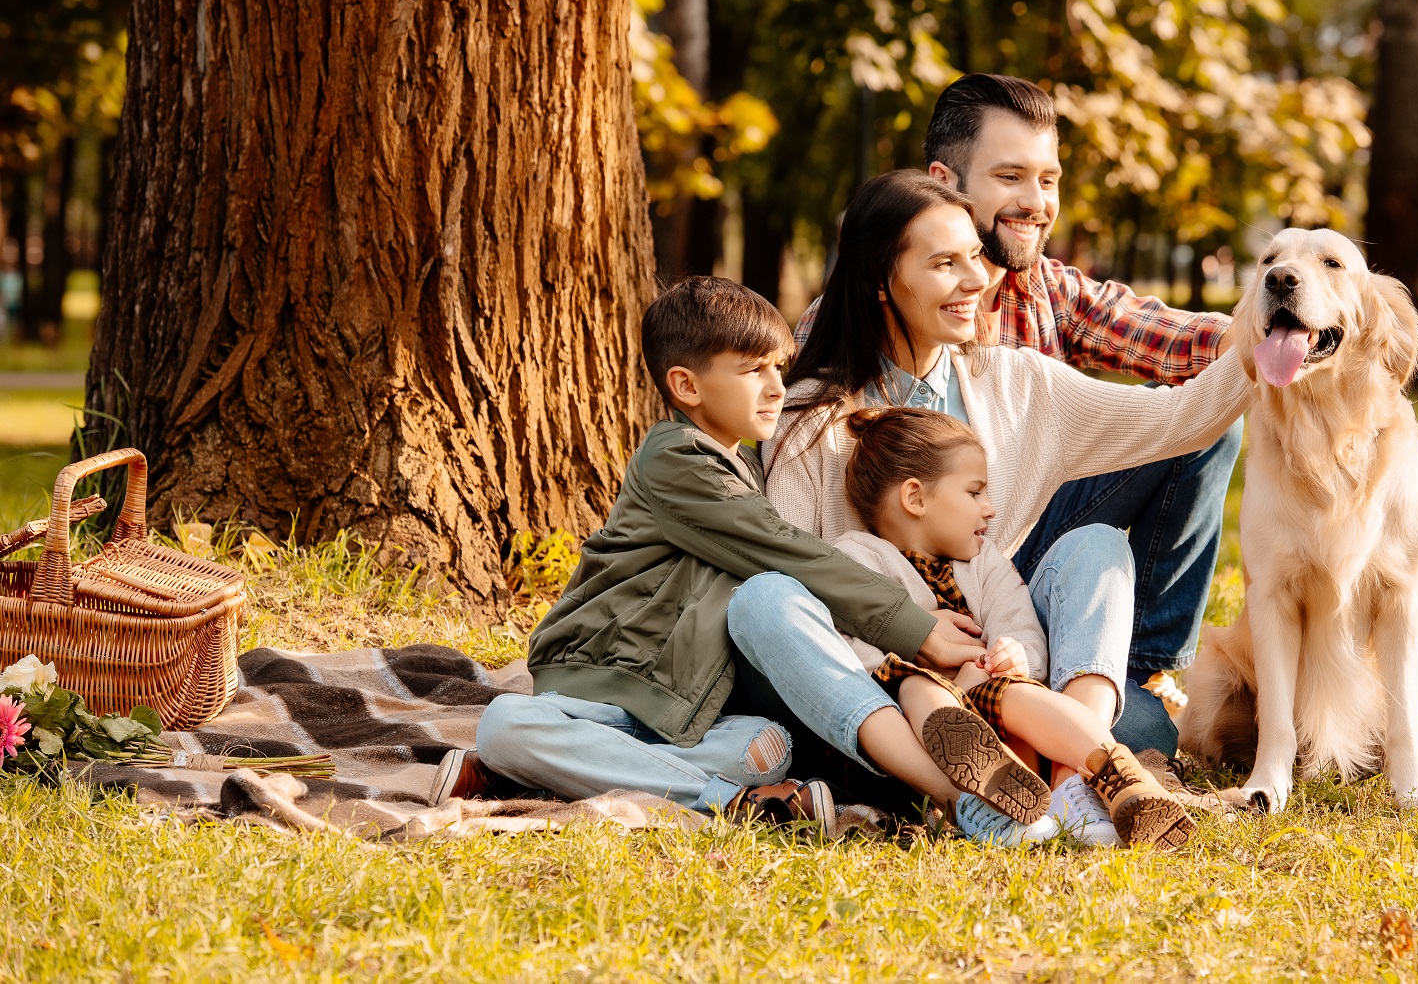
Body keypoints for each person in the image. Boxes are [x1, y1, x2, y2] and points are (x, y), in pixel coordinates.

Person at [731, 170, 1250, 819]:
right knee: (768, 604)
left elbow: (1179, 421)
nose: (977, 280)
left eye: (973, 255)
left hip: (996, 666)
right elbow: (803, 587)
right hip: (878, 683)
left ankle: (1071, 779)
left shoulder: (1017, 381)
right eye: (945, 263)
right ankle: (973, 783)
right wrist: (914, 635)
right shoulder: (809, 421)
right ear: (880, 281)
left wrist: (1267, 336)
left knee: (1098, 562)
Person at [796, 74, 1242, 751]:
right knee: (1141, 735)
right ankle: (1076, 736)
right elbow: (812, 543)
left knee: (1194, 438)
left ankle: (1136, 675)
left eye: (1049, 180)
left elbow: (1171, 344)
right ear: (944, 182)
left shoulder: (1043, 302)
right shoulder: (845, 348)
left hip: (1017, 548)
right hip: (903, 603)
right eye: (1011, 176)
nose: (1036, 203)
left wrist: (1272, 332)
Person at [455, 277, 985, 835]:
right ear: (686, 385)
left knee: (767, 746)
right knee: (505, 724)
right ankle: (727, 800)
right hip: (611, 691)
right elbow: (787, 549)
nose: (776, 386)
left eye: (778, 367)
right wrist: (912, 625)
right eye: (752, 370)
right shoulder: (674, 458)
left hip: (689, 714)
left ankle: (557, 775)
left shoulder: (745, 467)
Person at [834, 406, 1197, 849]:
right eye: (974, 492)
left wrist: (1015, 652)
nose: (989, 509)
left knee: (1020, 692)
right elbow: (850, 646)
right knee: (930, 695)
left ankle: (1119, 778)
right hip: (919, 714)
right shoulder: (857, 558)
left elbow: (1022, 626)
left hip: (992, 697)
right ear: (915, 497)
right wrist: (940, 671)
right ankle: (1014, 804)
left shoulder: (984, 561)